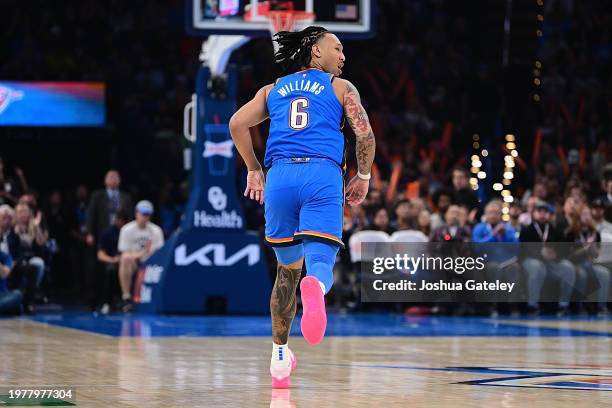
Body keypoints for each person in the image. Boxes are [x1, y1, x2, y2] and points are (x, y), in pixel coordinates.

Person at [228, 26, 375, 388]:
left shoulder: (272, 89)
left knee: (285, 272)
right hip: (322, 173)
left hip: (279, 178)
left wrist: (252, 169)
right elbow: (364, 133)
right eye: (337, 48)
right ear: (314, 51)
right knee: (320, 261)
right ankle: (317, 286)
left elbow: (236, 124)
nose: (343, 56)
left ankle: (280, 358)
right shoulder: (341, 87)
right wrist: (364, 175)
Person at [519, 200, 576, 316]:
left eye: (545, 211)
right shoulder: (526, 230)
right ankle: (532, 305)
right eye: (539, 211)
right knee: (536, 267)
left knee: (568, 267)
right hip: (530, 260)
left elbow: (564, 248)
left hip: (551, 262)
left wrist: (556, 254)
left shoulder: (554, 230)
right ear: (533, 213)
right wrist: (540, 253)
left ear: (549, 214)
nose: (542, 214)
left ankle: (563, 305)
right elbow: (523, 249)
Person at [117, 200, 164, 312]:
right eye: (142, 213)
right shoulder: (126, 230)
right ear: (136, 213)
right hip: (135, 263)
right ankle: (126, 297)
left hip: (151, 264)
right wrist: (142, 253)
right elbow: (125, 253)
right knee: (125, 259)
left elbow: (160, 252)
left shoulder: (156, 230)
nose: (144, 217)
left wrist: (148, 254)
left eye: (147, 214)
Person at [97, 210, 130, 314]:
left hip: (129, 261)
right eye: (117, 219)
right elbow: (100, 255)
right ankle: (107, 302)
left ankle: (126, 301)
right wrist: (113, 259)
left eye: (121, 220)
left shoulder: (130, 231)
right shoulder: (108, 232)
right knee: (110, 271)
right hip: (113, 261)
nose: (118, 222)